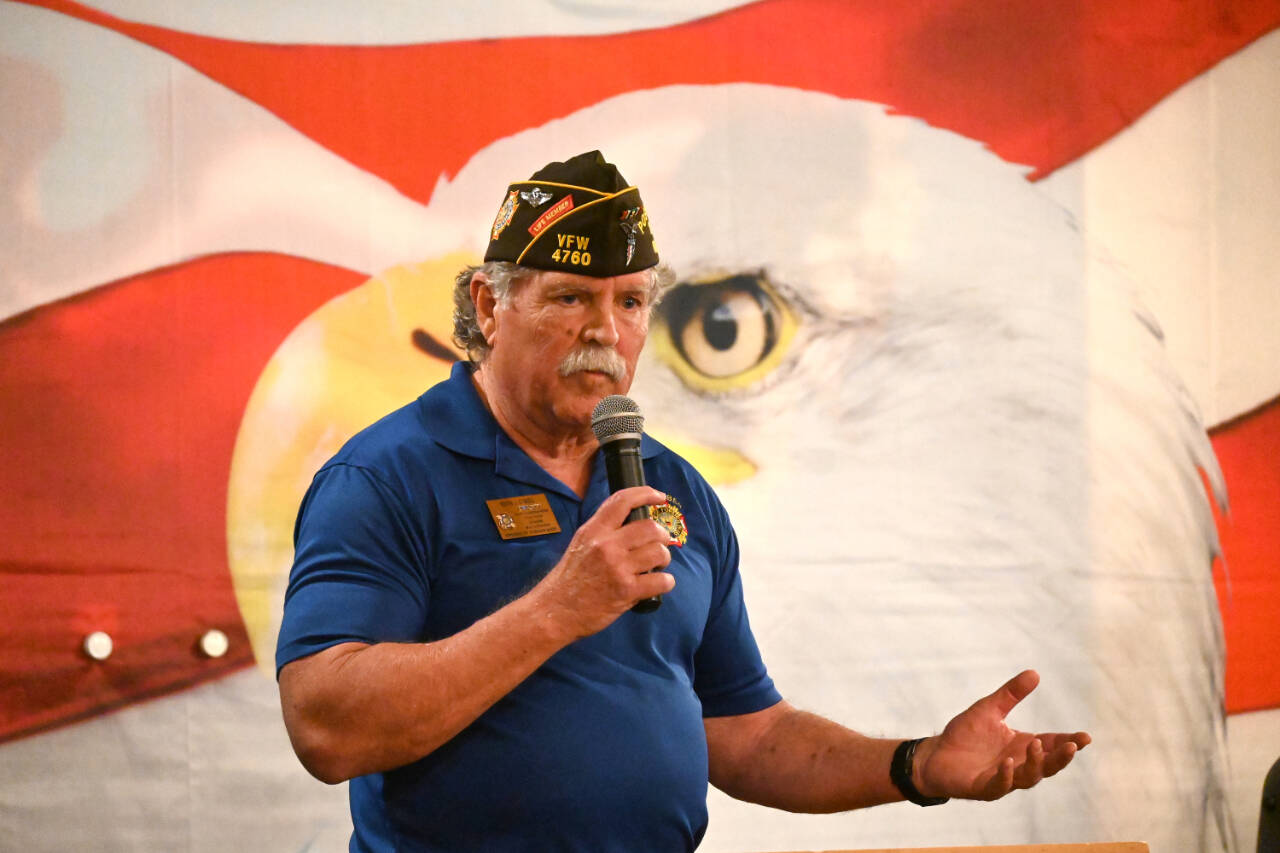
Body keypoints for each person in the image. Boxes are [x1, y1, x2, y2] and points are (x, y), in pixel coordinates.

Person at [276, 150, 1091, 852]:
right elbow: (326, 725)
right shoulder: (386, 477)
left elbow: (749, 733)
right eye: (569, 297)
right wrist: (558, 607)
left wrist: (916, 764)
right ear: (491, 307)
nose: (605, 329)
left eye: (629, 302)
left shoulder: (674, 490)